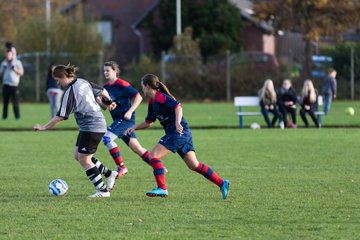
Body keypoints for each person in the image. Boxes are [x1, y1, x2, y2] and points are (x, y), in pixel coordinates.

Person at [125, 73, 230, 200]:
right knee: (194, 165)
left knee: (153, 156)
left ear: (147, 86)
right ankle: (222, 183)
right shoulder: (152, 103)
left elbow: (177, 107)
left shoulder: (160, 97)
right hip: (182, 133)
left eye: (142, 86)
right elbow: (149, 122)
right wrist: (134, 128)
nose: (142, 89)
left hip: (178, 132)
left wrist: (177, 122)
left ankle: (162, 188)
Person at [33, 64, 118, 198]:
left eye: (57, 80)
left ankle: (102, 191)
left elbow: (60, 116)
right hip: (89, 126)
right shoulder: (83, 81)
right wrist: (109, 101)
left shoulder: (70, 92)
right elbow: (102, 90)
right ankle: (109, 174)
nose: (57, 83)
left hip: (93, 126)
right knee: (78, 155)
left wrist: (43, 127)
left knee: (84, 159)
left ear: (63, 77)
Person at [99, 61, 155, 178]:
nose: (105, 72)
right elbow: (105, 107)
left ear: (115, 71)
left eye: (108, 70)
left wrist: (130, 111)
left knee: (107, 138)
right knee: (137, 148)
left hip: (125, 120)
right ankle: (158, 167)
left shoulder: (122, 84)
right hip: (118, 121)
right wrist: (99, 101)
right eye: (104, 70)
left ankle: (121, 167)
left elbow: (138, 97)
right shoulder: (106, 87)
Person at [0, 49, 24, 120]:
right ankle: (4, 117)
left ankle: (17, 117)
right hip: (6, 85)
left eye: (9, 54)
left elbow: (21, 73)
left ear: (12, 55)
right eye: (7, 55)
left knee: (15, 102)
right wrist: (3, 68)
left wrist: (15, 68)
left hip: (14, 85)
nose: (8, 56)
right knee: (5, 102)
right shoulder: (4, 63)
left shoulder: (17, 62)